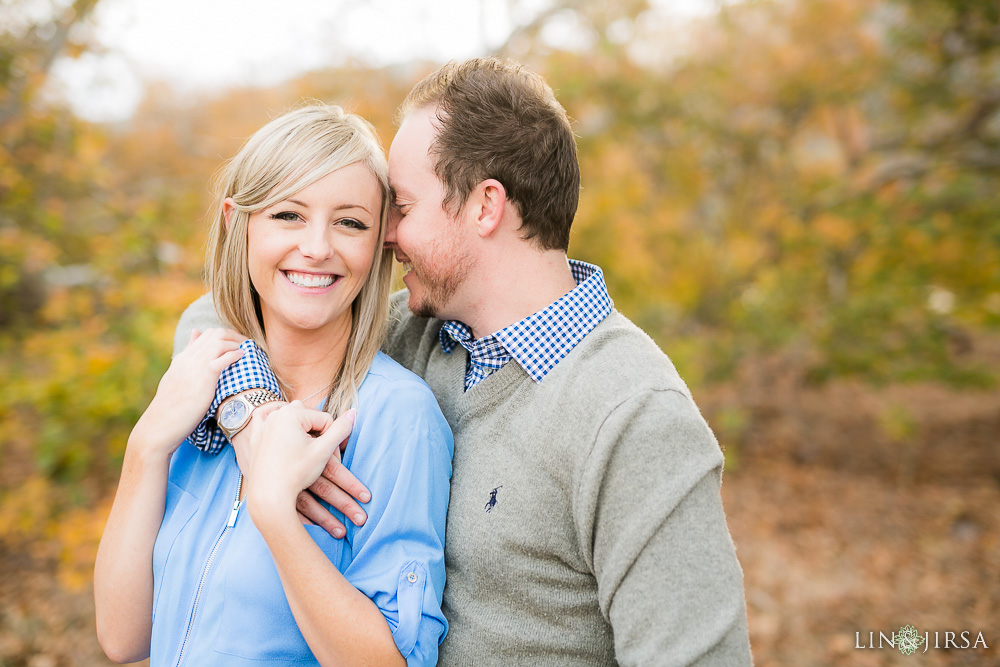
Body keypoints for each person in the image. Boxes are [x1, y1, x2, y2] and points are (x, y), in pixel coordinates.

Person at [177, 58, 752, 664]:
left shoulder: (634, 419)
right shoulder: (411, 335)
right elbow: (220, 311)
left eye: (402, 206)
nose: (385, 235)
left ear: (485, 207)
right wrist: (252, 418)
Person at [95, 104, 453, 666]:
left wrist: (274, 511)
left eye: (350, 222)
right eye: (288, 215)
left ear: (379, 242)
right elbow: (123, 638)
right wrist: (147, 445)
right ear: (237, 223)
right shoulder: (206, 387)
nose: (316, 247)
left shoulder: (396, 416)